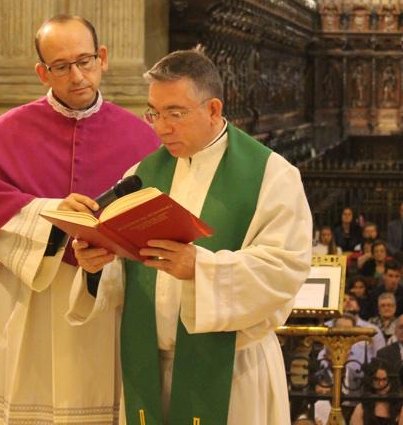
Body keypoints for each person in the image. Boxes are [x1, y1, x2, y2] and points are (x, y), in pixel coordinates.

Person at [69, 49, 312, 424]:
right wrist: (95, 266)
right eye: (154, 112)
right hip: (149, 368)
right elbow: (126, 274)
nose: (161, 127)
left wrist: (200, 267)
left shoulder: (271, 175)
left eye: (175, 113)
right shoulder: (142, 174)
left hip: (232, 373)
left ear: (213, 109)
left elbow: (284, 269)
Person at [0, 15, 159, 423]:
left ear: (103, 58)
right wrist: (52, 215)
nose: (77, 76)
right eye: (61, 66)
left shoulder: (142, 138)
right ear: (42, 73)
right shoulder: (5, 133)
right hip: (34, 299)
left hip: (109, 299)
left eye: (85, 61)